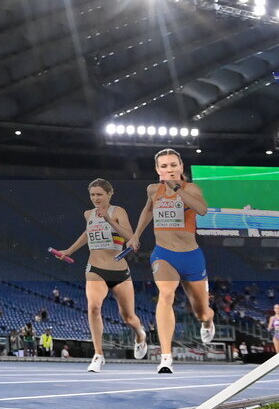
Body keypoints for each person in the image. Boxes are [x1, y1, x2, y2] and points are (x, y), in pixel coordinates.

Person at [127, 149, 213, 374]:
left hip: (191, 256)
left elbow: (202, 210)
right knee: (166, 294)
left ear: (181, 166)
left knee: (201, 312)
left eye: (173, 165)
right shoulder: (153, 189)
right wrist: (136, 235)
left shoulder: (191, 189)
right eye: (164, 166)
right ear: (157, 170)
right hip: (164, 254)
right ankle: (166, 357)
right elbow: (148, 210)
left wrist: (176, 189)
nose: (169, 169)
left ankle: (207, 322)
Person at [54, 178, 148, 372]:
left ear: (109, 194)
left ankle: (140, 335)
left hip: (119, 270)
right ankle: (98, 355)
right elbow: (88, 233)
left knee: (128, 317)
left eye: (99, 194)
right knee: (94, 307)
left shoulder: (118, 211)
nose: (95, 198)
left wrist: (108, 219)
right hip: (95, 268)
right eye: (92, 194)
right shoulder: (88, 213)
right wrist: (69, 250)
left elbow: (130, 237)